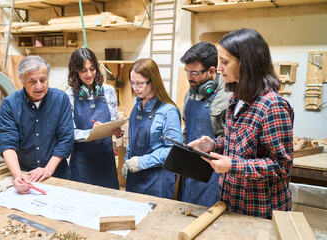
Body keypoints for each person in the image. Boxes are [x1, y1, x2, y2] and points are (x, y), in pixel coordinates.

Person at [189, 28, 294, 219]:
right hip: (231, 204)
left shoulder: (272, 106)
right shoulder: (236, 99)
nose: (219, 68)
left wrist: (233, 166)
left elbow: (281, 167)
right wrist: (214, 145)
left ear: (246, 63)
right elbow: (237, 146)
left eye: (225, 62)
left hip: (261, 212)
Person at [0, 55, 74, 194]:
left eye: (43, 80)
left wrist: (48, 169)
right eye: (32, 81)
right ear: (22, 80)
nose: (39, 86)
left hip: (58, 175)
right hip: (26, 177)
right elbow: (7, 143)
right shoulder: (9, 104)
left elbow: (65, 139)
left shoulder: (61, 99)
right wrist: (18, 175)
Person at [179, 41, 230, 207]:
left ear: (211, 70)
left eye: (194, 73)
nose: (188, 78)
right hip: (191, 171)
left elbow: (231, 142)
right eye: (187, 71)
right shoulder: (190, 95)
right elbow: (187, 130)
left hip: (216, 174)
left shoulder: (229, 96)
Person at [122, 58, 182, 199]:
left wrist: (141, 162)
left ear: (153, 81)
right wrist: (127, 160)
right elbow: (133, 140)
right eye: (132, 83)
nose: (135, 88)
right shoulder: (137, 107)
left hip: (157, 180)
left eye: (140, 83)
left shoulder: (169, 111)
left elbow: (173, 151)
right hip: (135, 176)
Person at [66, 48, 123, 189]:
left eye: (92, 69)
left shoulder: (108, 91)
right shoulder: (69, 96)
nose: (89, 74)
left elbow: (113, 122)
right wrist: (92, 133)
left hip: (106, 161)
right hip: (82, 163)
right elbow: (69, 133)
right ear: (75, 72)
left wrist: (116, 130)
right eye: (83, 70)